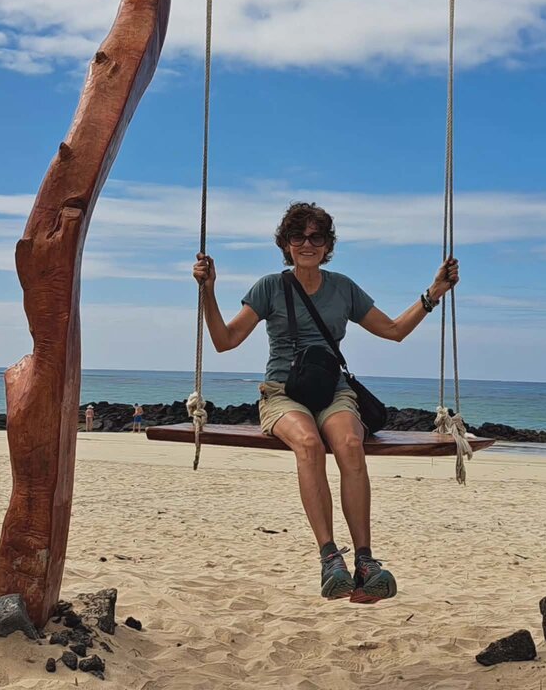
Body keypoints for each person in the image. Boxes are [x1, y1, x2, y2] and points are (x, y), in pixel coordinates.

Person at [193, 201, 458, 604]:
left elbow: (393, 330)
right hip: (282, 393)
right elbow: (224, 340)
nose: (308, 244)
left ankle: (365, 561)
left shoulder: (343, 288)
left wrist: (434, 292)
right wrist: (208, 291)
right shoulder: (269, 287)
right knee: (309, 443)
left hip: (334, 391)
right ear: (285, 244)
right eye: (298, 236)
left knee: (350, 444)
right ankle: (330, 558)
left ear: (328, 245)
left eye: (317, 237)